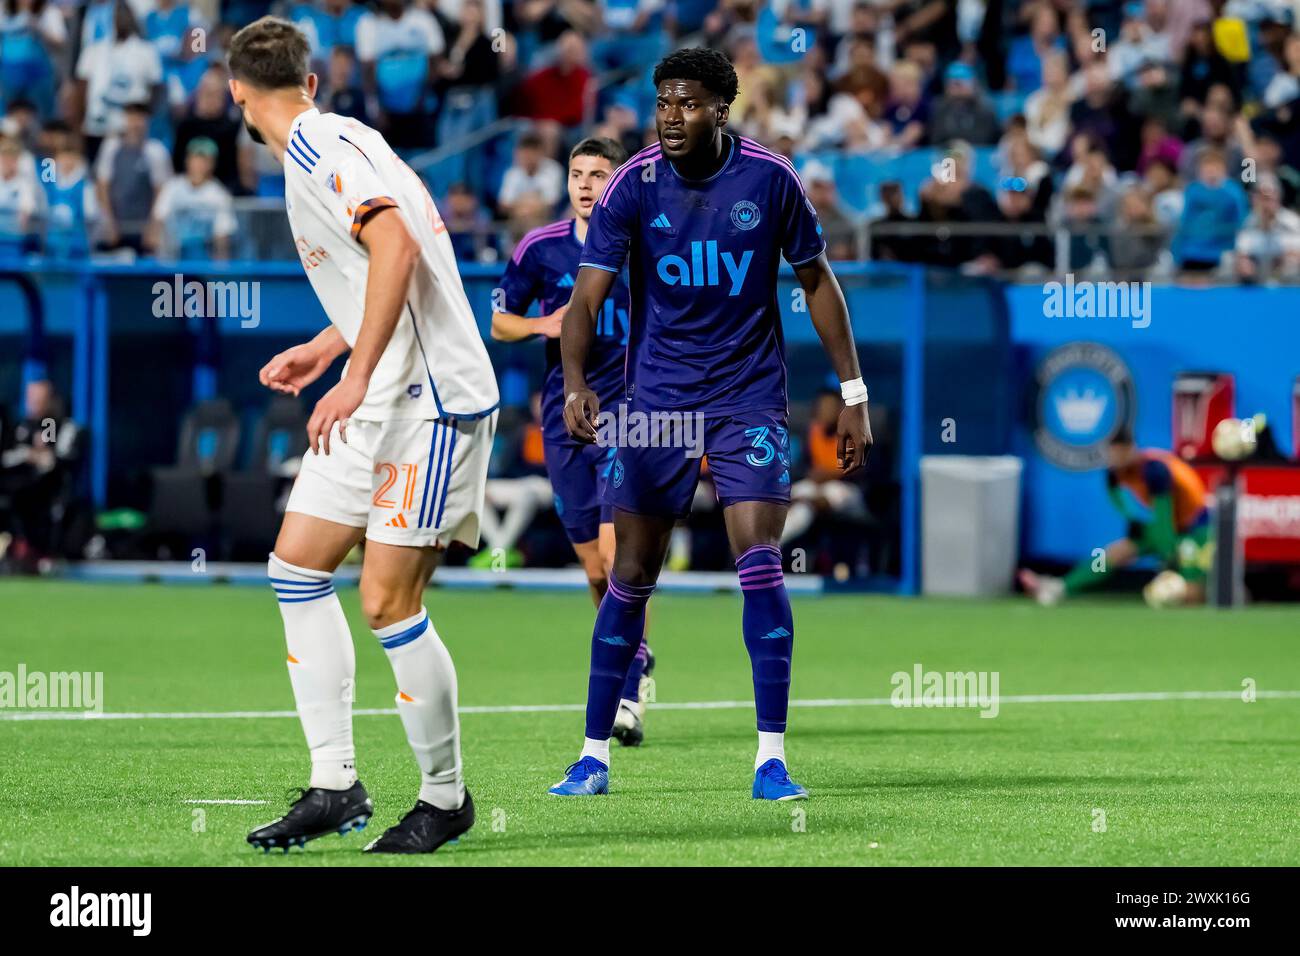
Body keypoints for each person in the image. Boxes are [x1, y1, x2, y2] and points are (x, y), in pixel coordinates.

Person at [551, 48, 871, 800]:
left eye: (689, 102)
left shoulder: (770, 178)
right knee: (629, 575)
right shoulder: (633, 184)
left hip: (746, 400)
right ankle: (593, 754)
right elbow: (587, 299)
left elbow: (816, 280)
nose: (671, 115)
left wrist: (852, 390)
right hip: (656, 406)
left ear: (722, 109)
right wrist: (573, 380)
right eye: (664, 101)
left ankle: (769, 759)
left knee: (757, 558)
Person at [226, 16, 498, 855]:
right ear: (308, 80)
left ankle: (445, 799)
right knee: (298, 568)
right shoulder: (342, 137)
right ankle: (335, 785)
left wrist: (352, 373)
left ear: (237, 94)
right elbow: (380, 264)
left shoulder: (316, 151)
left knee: (387, 602)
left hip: (431, 402)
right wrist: (330, 342)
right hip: (381, 390)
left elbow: (395, 246)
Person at [491, 135, 656, 746]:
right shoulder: (541, 248)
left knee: (619, 560)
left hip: (630, 417)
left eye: (599, 173)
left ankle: (631, 684)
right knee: (593, 568)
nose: (586, 183)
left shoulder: (643, 244)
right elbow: (499, 319)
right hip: (567, 421)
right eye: (577, 173)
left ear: (618, 181)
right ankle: (639, 649)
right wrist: (541, 322)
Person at [1020, 429, 1210, 607]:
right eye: (1111, 455)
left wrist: (1169, 555)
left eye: (1118, 454)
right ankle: (1060, 587)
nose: (1114, 459)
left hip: (1196, 527)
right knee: (1107, 555)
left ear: (1131, 449)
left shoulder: (1155, 470)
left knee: (1192, 592)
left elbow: (1163, 518)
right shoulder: (1114, 472)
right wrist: (1133, 519)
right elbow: (1118, 499)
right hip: (1166, 525)